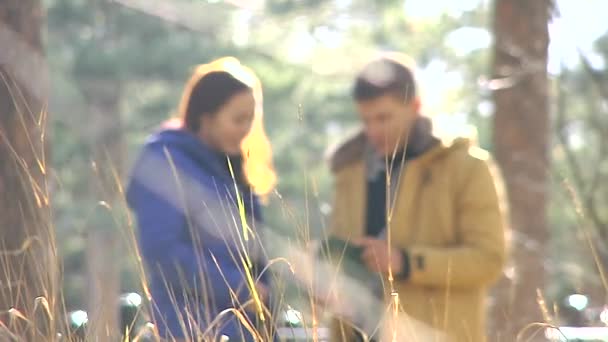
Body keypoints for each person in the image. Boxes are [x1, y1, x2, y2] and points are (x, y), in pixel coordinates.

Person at [324, 53, 507, 341]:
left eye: (384, 118)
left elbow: (488, 260)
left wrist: (405, 262)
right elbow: (340, 256)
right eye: (366, 120)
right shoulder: (348, 172)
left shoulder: (467, 168)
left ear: (415, 107)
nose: (373, 131)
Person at [126, 57, 276, 341]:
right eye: (237, 119)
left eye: (250, 120)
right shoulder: (166, 161)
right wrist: (241, 289)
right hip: (190, 327)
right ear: (206, 117)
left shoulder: (232, 168)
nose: (246, 129)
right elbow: (163, 252)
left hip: (244, 327)